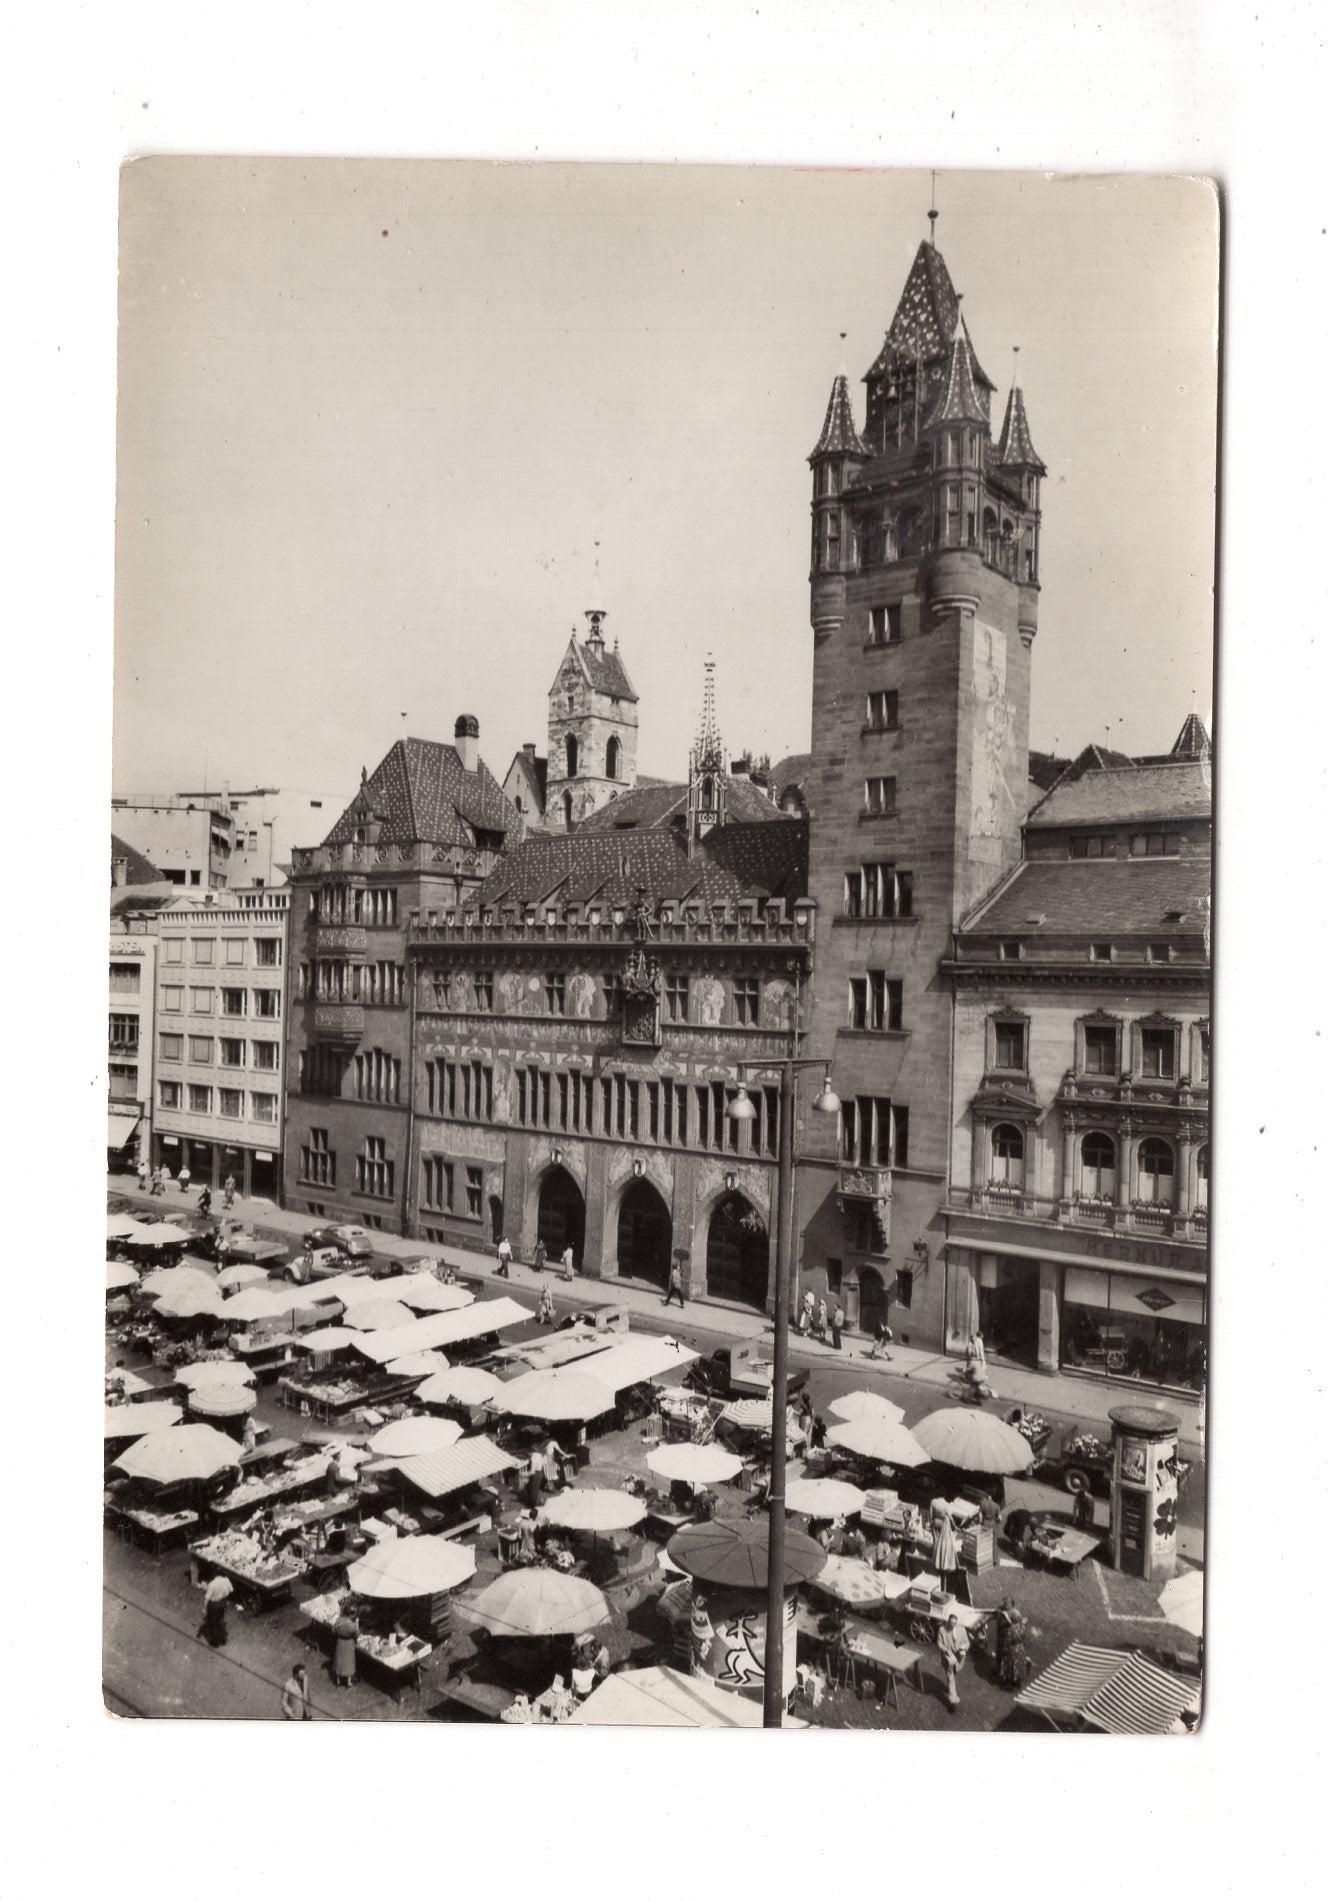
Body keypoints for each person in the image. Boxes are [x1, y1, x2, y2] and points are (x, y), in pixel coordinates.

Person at [937, 1613, 969, 1711]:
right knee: (950, 1677)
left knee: (953, 1675)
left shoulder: (962, 1630)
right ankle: (952, 1701)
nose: (952, 1626)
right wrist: (945, 1650)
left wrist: (963, 1648)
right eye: (950, 1623)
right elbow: (939, 1643)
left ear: (956, 1623)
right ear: (948, 1621)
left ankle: (950, 1687)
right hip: (948, 1657)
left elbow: (967, 1642)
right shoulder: (942, 1630)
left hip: (959, 1658)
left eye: (954, 1624)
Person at [996, 1598, 1029, 1690]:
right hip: (1020, 1649)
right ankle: (1017, 1681)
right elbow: (1024, 1639)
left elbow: (1008, 1640)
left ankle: (1010, 1683)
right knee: (1019, 1665)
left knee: (1010, 1666)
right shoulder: (1022, 1627)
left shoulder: (1010, 1629)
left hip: (1011, 1650)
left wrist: (1004, 1649)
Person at [200, 1573, 232, 1648]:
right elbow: (231, 1590)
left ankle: (214, 1641)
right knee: (220, 1618)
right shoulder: (226, 1580)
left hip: (214, 1605)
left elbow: (207, 1598)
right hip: (223, 1603)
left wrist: (204, 1608)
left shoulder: (212, 1584)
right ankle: (222, 1639)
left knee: (212, 1621)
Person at [931, 1503, 958, 1586]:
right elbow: (950, 1518)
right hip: (942, 1524)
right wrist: (955, 1526)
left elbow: (931, 1515)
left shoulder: (935, 1503)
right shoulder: (947, 1507)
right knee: (943, 1544)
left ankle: (935, 1560)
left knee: (936, 1542)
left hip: (935, 1521)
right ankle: (941, 1564)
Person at [333, 1609, 359, 1687]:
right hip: (349, 1643)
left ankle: (338, 1681)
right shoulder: (352, 1625)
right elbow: (357, 1634)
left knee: (339, 1660)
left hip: (340, 1642)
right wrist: (357, 1624)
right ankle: (349, 1682)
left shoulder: (338, 1620)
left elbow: (333, 1630)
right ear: (351, 1615)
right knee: (349, 1661)